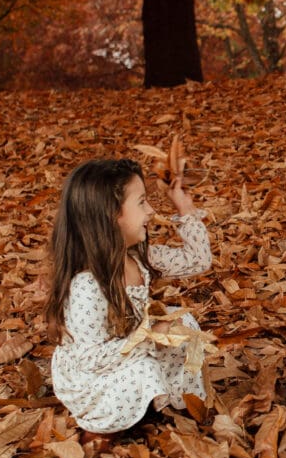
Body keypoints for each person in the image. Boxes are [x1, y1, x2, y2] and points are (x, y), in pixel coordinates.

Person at [45, 157, 212, 435]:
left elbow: (198, 260)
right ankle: (126, 420)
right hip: (93, 376)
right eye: (142, 202)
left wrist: (184, 205)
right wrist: (149, 337)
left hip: (129, 348)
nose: (151, 210)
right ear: (112, 213)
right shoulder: (87, 285)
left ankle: (175, 401)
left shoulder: (137, 257)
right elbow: (90, 359)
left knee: (185, 326)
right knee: (143, 369)